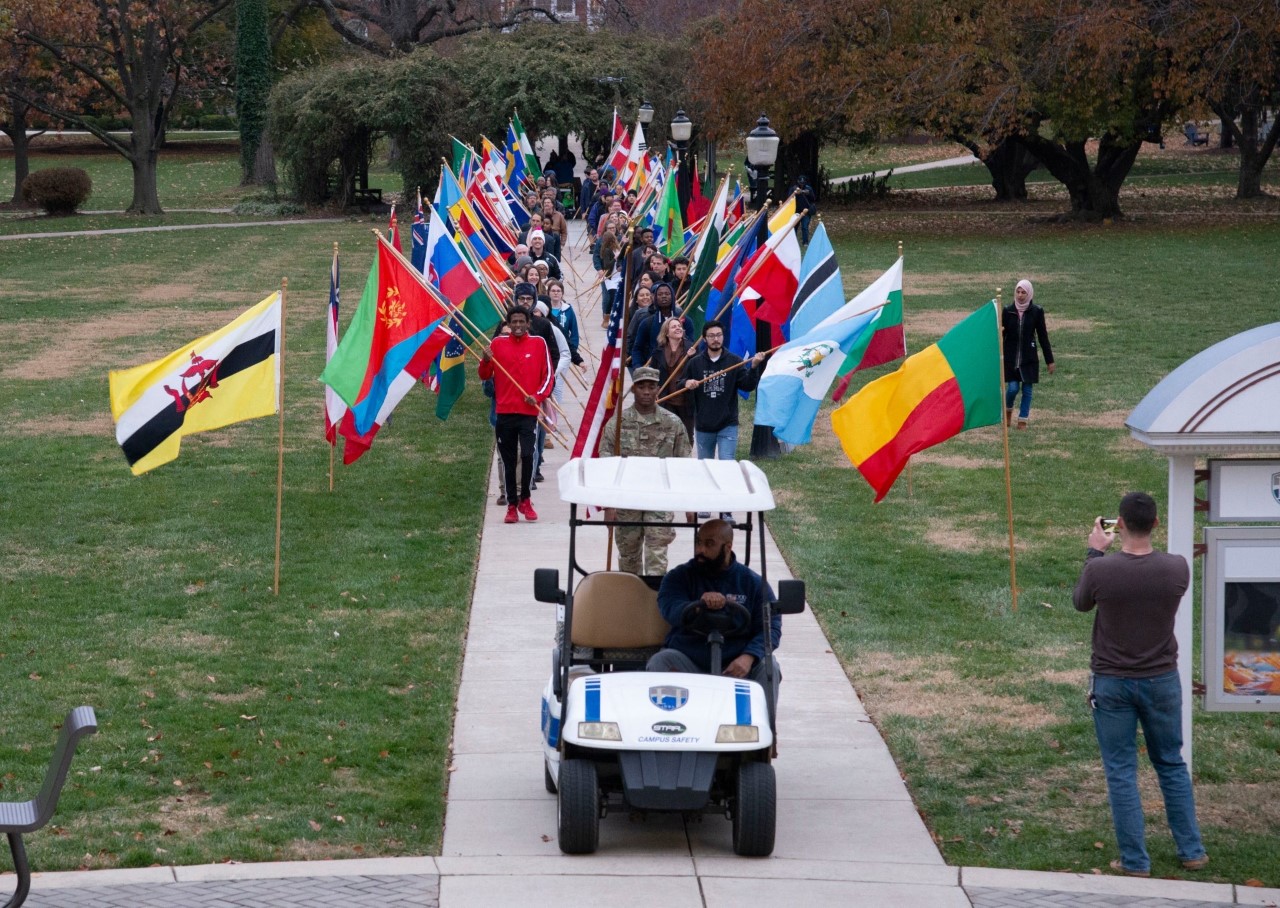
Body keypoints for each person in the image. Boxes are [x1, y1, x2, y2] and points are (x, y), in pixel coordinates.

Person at [1073, 492, 1209, 878]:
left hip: (1113, 683)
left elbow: (1081, 602)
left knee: (1121, 769)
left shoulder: (1102, 571)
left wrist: (1094, 553)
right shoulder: (1177, 568)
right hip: (1163, 680)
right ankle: (1191, 850)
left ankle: (1135, 861)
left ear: (1119, 524)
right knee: (1170, 763)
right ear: (1155, 524)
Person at [647, 519, 781, 693]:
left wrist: (748, 657)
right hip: (690, 658)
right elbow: (669, 608)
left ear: (727, 547)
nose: (701, 550)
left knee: (769, 667)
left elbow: (771, 628)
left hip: (736, 663)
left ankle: (762, 720)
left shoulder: (752, 583)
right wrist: (696, 607)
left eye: (709, 544)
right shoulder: (679, 577)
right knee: (661, 661)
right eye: (699, 542)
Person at [606, 366, 691, 576]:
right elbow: (606, 465)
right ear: (633, 389)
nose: (646, 391)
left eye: (651, 387)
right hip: (627, 499)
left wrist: (690, 504)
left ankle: (653, 600)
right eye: (641, 386)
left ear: (658, 389)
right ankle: (631, 600)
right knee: (628, 556)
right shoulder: (618, 423)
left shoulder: (672, 423)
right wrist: (608, 504)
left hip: (659, 499)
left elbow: (685, 464)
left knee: (657, 555)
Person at [478, 307, 553, 523]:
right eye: (514, 322)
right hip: (504, 412)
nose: (518, 326)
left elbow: (548, 376)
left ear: (528, 323)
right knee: (509, 461)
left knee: (528, 455)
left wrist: (537, 396)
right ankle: (511, 505)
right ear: (509, 324)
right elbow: (485, 374)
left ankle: (526, 500)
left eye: (521, 321)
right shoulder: (497, 344)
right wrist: (485, 359)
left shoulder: (539, 343)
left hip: (528, 413)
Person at [683, 320, 767, 462]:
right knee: (705, 466)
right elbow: (680, 383)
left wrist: (754, 367)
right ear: (704, 338)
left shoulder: (734, 362)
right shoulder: (695, 363)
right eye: (711, 336)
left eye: (719, 335)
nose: (716, 339)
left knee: (727, 464)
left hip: (727, 424)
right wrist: (687, 383)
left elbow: (747, 386)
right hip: (704, 424)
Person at [1003, 278, 1054, 430]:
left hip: (1029, 358)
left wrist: (1049, 360)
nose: (1020, 295)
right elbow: (1000, 333)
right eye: (1018, 292)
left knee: (1027, 390)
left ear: (1029, 293)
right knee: (1012, 389)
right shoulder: (1007, 310)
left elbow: (1043, 336)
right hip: (1011, 358)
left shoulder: (1036, 312)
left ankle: (1022, 421)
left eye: (1023, 292)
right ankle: (1008, 411)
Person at [648, 317, 695, 442]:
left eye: (679, 326)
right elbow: (652, 373)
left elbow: (697, 372)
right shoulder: (658, 351)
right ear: (666, 332)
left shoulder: (691, 349)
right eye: (674, 326)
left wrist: (692, 357)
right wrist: (654, 389)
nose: (678, 328)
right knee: (667, 437)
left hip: (686, 400)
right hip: (666, 400)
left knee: (686, 438)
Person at [791, 174, 817, 245]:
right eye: (800, 183)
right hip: (796, 211)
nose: (802, 184)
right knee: (794, 227)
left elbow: (813, 198)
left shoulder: (809, 188)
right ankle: (793, 243)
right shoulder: (794, 188)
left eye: (803, 183)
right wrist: (795, 193)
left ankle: (805, 242)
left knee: (804, 227)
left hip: (806, 211)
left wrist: (803, 192)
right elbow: (789, 198)